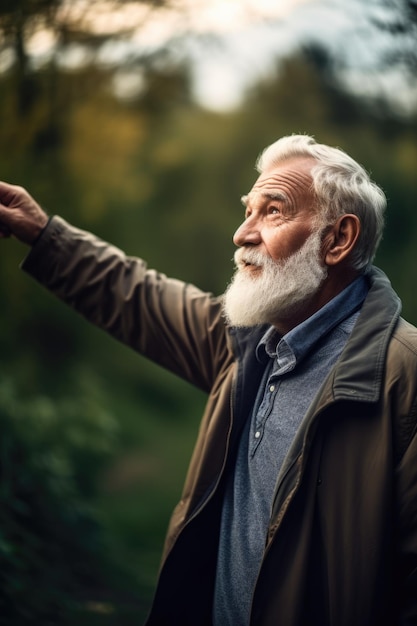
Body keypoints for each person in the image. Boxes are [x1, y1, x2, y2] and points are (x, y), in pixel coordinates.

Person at [0, 134, 416, 626]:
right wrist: (43, 233)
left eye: (273, 211)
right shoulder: (245, 343)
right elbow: (136, 295)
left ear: (337, 240)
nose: (243, 234)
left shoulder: (403, 378)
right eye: (248, 211)